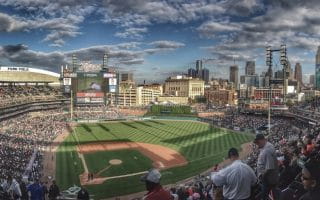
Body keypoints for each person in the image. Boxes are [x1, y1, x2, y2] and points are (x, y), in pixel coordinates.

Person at [254, 134, 280, 200]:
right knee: (270, 194)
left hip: (268, 180)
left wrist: (261, 176)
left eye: (258, 142)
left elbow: (269, 168)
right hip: (271, 178)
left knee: (264, 196)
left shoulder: (267, 150)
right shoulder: (267, 145)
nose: (257, 144)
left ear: (262, 140)